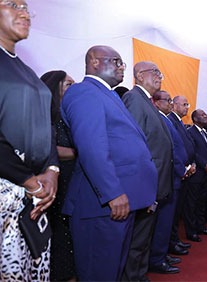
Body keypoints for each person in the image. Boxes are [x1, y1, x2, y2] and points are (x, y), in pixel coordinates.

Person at [61, 45, 158, 281]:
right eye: (116, 61)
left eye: (121, 63)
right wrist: (112, 193)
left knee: (113, 271)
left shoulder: (110, 95)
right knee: (99, 273)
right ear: (94, 61)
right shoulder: (84, 92)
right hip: (103, 205)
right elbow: (91, 147)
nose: (122, 67)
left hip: (122, 201)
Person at [0, 1, 59, 280]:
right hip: (8, 189)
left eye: (27, 7)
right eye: (13, 4)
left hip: (33, 193)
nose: (25, 13)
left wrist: (51, 170)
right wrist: (28, 180)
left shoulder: (25, 69)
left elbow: (45, 125)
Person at [121, 61, 173, 281]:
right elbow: (133, 146)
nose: (160, 76)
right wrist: (145, 189)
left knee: (144, 238)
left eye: (160, 73)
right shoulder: (134, 98)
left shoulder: (147, 101)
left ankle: (140, 275)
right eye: (155, 72)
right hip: (143, 186)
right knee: (136, 241)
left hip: (153, 184)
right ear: (140, 76)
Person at [40, 70, 77, 282]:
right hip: (56, 181)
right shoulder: (46, 112)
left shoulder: (67, 112)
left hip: (70, 178)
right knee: (59, 231)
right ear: (56, 87)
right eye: (68, 84)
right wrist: (77, 152)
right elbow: (48, 147)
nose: (74, 87)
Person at [149, 90, 189, 274]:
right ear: (156, 102)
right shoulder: (159, 118)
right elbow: (168, 148)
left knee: (167, 221)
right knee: (162, 222)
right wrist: (181, 169)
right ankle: (157, 259)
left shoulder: (165, 118)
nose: (170, 104)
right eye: (168, 100)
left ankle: (162, 254)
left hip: (173, 177)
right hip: (168, 177)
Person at [167, 96, 195, 256]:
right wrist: (183, 169)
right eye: (184, 104)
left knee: (177, 213)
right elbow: (173, 148)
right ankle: (171, 243)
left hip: (186, 171)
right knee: (172, 213)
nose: (186, 107)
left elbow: (187, 146)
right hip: (178, 173)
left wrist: (191, 165)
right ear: (174, 105)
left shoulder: (180, 122)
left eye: (187, 104)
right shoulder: (171, 120)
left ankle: (175, 239)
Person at [184, 109, 207, 242]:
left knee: (202, 202)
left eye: (206, 114)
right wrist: (204, 165)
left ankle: (200, 226)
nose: (206, 116)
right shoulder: (190, 132)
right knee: (192, 203)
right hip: (196, 173)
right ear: (195, 119)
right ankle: (191, 231)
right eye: (202, 115)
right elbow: (193, 152)